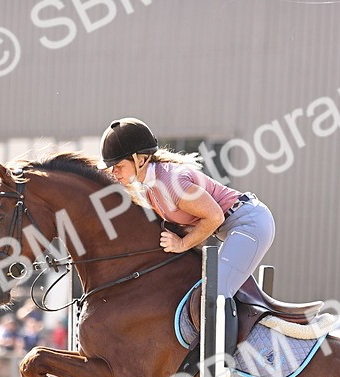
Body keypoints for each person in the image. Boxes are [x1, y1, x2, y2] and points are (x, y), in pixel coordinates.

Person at [100, 117, 275, 349]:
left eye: (118, 166)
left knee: (215, 294)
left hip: (250, 224)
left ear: (140, 160)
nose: (114, 173)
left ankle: (226, 366)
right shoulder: (151, 188)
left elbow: (214, 217)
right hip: (236, 227)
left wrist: (182, 244)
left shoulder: (172, 182)